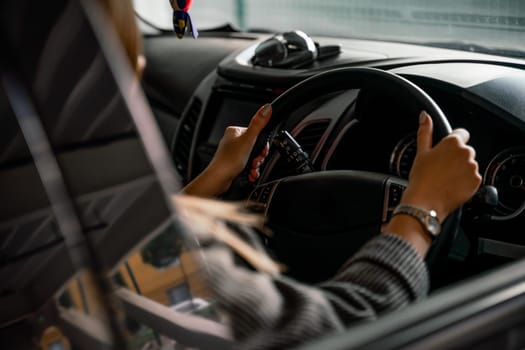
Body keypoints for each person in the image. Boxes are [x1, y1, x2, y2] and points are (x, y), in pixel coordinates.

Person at [97, 1, 482, 349]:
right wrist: (422, 208)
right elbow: (346, 327)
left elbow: (152, 236)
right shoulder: (170, 270)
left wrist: (213, 178)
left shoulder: (83, 225)